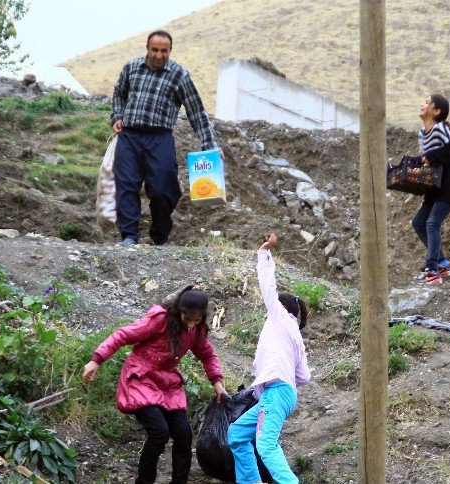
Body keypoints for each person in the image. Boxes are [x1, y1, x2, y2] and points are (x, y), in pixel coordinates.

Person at [82, 286, 225, 484]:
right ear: (179, 310)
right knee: (159, 432)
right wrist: (96, 360)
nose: (192, 324)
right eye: (188, 319)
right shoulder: (160, 321)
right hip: (141, 377)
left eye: (197, 320)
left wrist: (217, 382)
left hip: (167, 383)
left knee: (183, 434)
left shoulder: (196, 331)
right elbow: (123, 335)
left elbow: (207, 355)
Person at [111, 29, 220, 246]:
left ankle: (159, 237)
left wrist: (209, 144)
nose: (159, 55)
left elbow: (196, 111)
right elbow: (119, 93)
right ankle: (129, 236)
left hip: (160, 139)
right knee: (126, 186)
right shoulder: (131, 68)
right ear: (147, 49)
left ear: (170, 51)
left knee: (163, 190)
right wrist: (117, 115)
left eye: (164, 51)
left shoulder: (179, 75)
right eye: (154, 50)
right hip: (129, 136)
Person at [227, 233, 311, 484]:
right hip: (283, 394)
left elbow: (267, 287)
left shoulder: (279, 318)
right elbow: (304, 376)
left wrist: (264, 253)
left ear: (278, 309)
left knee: (266, 445)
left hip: (276, 393)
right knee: (237, 434)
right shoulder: (294, 335)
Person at [412, 93, 450, 285]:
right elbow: (429, 160)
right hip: (435, 187)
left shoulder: (440, 128)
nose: (422, 104)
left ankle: (432, 271)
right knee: (419, 222)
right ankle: (443, 263)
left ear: (436, 111)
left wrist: (432, 156)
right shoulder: (423, 132)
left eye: (427, 102)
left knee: (432, 223)